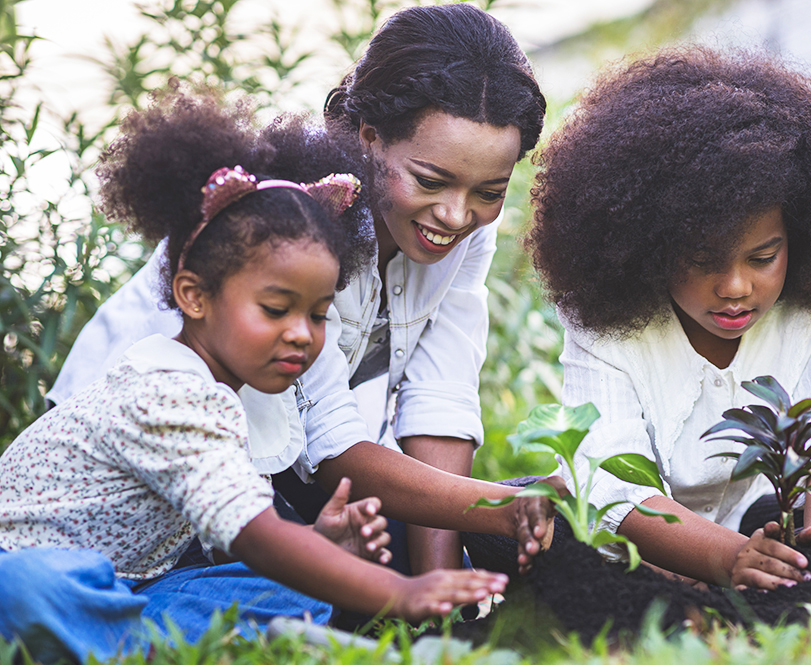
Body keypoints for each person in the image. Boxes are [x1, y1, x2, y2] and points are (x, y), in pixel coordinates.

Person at [0, 88, 516, 665]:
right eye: (276, 310)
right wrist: (403, 591)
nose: (302, 334)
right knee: (31, 588)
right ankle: (143, 646)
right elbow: (255, 533)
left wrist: (321, 548)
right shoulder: (167, 392)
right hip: (44, 572)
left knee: (290, 588)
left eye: (319, 314)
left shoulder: (225, 395)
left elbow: (254, 535)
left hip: (140, 583)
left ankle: (136, 646)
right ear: (193, 296)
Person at [45, 3, 553, 576]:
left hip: (280, 462)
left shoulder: (458, 227)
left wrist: (445, 579)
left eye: (490, 190)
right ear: (369, 137)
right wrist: (496, 511)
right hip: (150, 483)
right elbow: (331, 448)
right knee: (317, 568)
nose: (457, 214)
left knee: (521, 529)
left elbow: (441, 394)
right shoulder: (293, 221)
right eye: (430, 181)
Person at [509, 47, 811, 590]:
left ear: (801, 237)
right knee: (519, 520)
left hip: (750, 522)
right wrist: (729, 558)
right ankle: (709, 579)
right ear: (648, 246)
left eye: (763, 258)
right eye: (702, 261)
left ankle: (752, 578)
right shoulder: (607, 324)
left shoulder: (809, 308)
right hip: (634, 537)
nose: (737, 287)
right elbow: (612, 485)